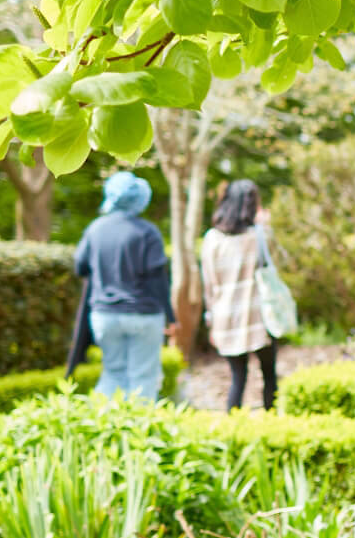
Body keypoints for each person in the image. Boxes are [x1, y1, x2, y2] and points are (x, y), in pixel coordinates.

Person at [74, 171, 175, 401]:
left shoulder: (95, 229)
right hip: (144, 315)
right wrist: (171, 317)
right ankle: (138, 433)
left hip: (104, 316)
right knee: (143, 378)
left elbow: (80, 267)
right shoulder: (148, 232)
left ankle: (105, 431)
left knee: (113, 374)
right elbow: (157, 279)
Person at [200, 179, 279, 411]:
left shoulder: (212, 238)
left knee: (237, 376)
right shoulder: (260, 236)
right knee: (269, 374)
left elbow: (209, 284)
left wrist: (210, 319)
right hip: (260, 316)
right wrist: (265, 225)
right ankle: (271, 422)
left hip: (226, 316)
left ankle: (233, 429)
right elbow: (275, 266)